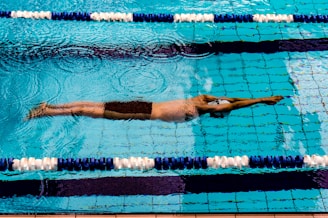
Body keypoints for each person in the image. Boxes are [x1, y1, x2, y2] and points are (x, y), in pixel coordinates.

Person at [25, 95, 283, 122]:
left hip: (144, 104)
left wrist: (261, 96)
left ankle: (49, 105)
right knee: (89, 111)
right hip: (142, 112)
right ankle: (45, 112)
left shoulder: (200, 99)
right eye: (220, 113)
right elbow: (234, 105)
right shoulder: (198, 110)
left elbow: (230, 100)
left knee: (95, 104)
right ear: (213, 110)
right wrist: (261, 100)